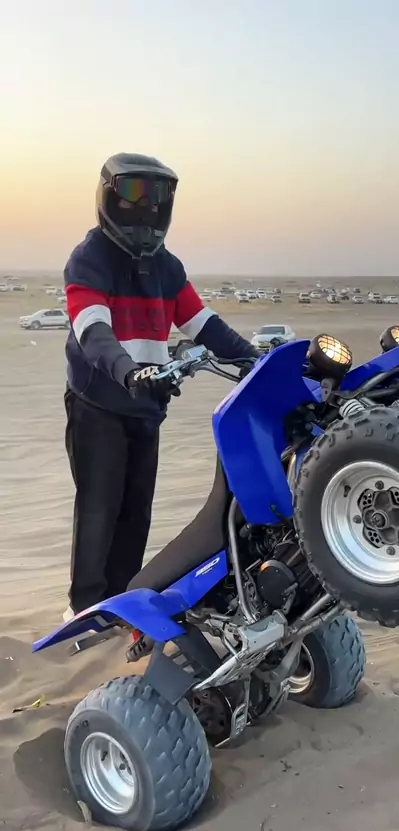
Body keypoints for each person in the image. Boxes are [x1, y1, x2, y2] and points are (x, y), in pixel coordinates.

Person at [63, 152, 258, 619]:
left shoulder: (167, 268)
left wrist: (256, 359)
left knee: (137, 513)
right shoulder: (90, 259)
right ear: (109, 196)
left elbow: (204, 325)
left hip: (147, 405)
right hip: (99, 403)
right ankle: (84, 612)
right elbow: (93, 331)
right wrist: (128, 371)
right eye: (133, 194)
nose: (145, 207)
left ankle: (120, 605)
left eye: (156, 197)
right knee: (98, 510)